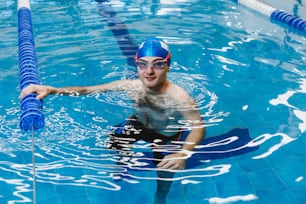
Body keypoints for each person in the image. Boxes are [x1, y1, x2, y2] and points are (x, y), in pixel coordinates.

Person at [19, 37, 205, 204]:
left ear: (168, 66)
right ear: (137, 65)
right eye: (142, 64)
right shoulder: (131, 86)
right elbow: (87, 90)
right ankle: (123, 162)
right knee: (115, 137)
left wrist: (183, 153)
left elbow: (198, 128)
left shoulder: (180, 97)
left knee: (165, 169)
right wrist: (53, 90)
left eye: (157, 64)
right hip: (139, 124)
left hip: (166, 135)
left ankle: (160, 197)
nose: (149, 71)